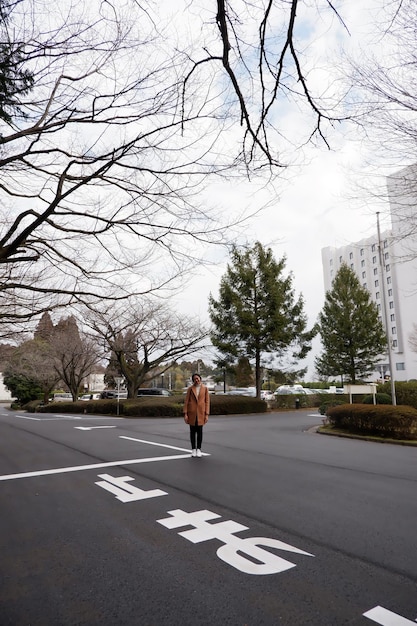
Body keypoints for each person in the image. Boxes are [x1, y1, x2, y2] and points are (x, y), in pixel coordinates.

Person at [183, 372, 210, 457]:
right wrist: (185, 413)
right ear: (193, 380)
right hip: (192, 412)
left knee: (200, 432)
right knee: (192, 432)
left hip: (201, 412)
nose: (196, 380)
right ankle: (193, 449)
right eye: (194, 379)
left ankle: (199, 449)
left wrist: (207, 414)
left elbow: (207, 401)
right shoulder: (190, 389)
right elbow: (186, 401)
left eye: (197, 378)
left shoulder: (205, 388)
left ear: (200, 379)